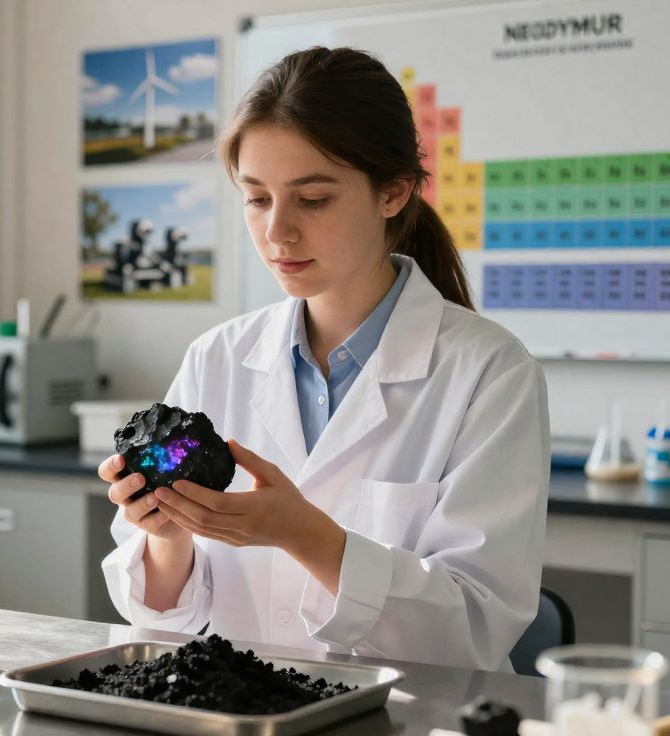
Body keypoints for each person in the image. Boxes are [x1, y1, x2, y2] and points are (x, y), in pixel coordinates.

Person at [99, 47, 549, 671]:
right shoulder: (219, 357)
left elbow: (474, 628)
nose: (278, 231)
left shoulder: (490, 373)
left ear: (393, 192)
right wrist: (166, 536)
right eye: (257, 199)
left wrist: (304, 534)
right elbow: (154, 615)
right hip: (239, 709)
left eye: (312, 200)